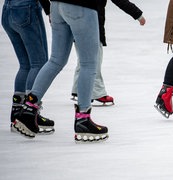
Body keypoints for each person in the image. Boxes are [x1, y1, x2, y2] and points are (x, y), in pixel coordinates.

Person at [11, 0, 111, 142]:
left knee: (56, 60)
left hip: (57, 6)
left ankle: (29, 109)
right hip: (81, 7)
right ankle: (83, 119)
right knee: (88, 63)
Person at [71, 0, 146, 106]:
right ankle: (96, 93)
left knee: (83, 58)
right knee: (94, 60)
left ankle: (78, 89)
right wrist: (138, 14)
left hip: (74, 20)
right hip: (92, 24)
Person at [2, 0, 55, 134]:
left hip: (8, 9)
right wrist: (50, 10)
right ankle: (29, 113)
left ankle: (17, 113)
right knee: (38, 64)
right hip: (26, 9)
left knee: (25, 65)